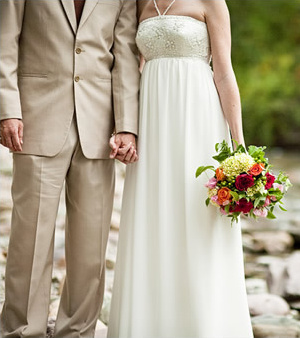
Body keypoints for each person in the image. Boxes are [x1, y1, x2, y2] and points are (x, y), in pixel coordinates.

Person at [107, 0, 253, 337]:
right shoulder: (141, 3)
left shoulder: (211, 2)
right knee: (154, 214)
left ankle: (205, 324)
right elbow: (132, 69)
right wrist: (127, 126)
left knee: (197, 216)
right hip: (153, 118)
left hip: (198, 117)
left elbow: (224, 73)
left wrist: (238, 145)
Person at [0, 1, 140, 337]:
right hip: (36, 117)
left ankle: (78, 331)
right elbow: (5, 42)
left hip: (99, 124)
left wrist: (127, 125)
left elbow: (124, 55)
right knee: (29, 237)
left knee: (91, 245)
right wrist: (8, 108)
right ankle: (22, 330)